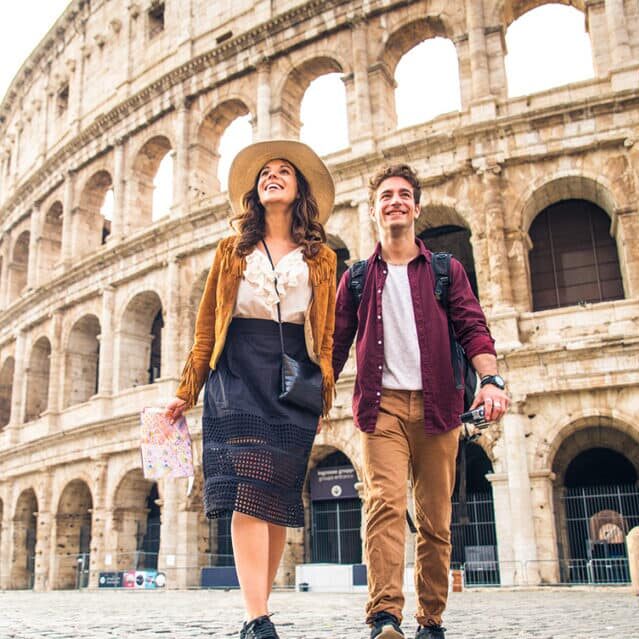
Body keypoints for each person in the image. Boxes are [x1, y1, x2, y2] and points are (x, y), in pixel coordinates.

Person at [165, 140, 337, 639]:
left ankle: (260, 606)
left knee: (277, 494)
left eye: (283, 171)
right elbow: (205, 327)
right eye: (264, 173)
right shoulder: (231, 250)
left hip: (293, 376)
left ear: (299, 189)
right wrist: (186, 389)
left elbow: (324, 335)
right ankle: (256, 616)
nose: (272, 176)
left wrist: (322, 393)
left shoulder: (321, 258)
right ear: (254, 192)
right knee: (247, 491)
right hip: (236, 372)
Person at [331, 164, 509, 639]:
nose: (395, 201)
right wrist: (305, 393)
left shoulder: (446, 271)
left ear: (417, 207)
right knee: (384, 505)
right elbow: (333, 347)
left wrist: (492, 382)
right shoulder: (355, 278)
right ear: (373, 210)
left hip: (439, 408)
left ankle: (431, 619)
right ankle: (384, 615)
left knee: (435, 520)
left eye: (404, 194)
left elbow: (474, 328)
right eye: (386, 195)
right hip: (380, 406)